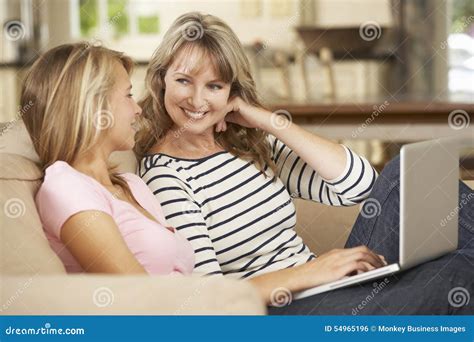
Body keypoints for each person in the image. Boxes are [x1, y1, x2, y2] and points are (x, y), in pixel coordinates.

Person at [134, 12, 474, 314]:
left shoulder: (244, 143)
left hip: (328, 288)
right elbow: (209, 298)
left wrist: (268, 121)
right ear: (161, 77)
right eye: (183, 81)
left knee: (405, 178)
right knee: (455, 276)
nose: (197, 100)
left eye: (214, 86)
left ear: (231, 92)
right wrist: (314, 271)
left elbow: (361, 186)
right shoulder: (166, 175)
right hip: (281, 310)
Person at [21, 43, 194, 276]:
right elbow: (138, 292)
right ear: (93, 107)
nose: (137, 109)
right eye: (128, 95)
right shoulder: (65, 186)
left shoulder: (133, 185)